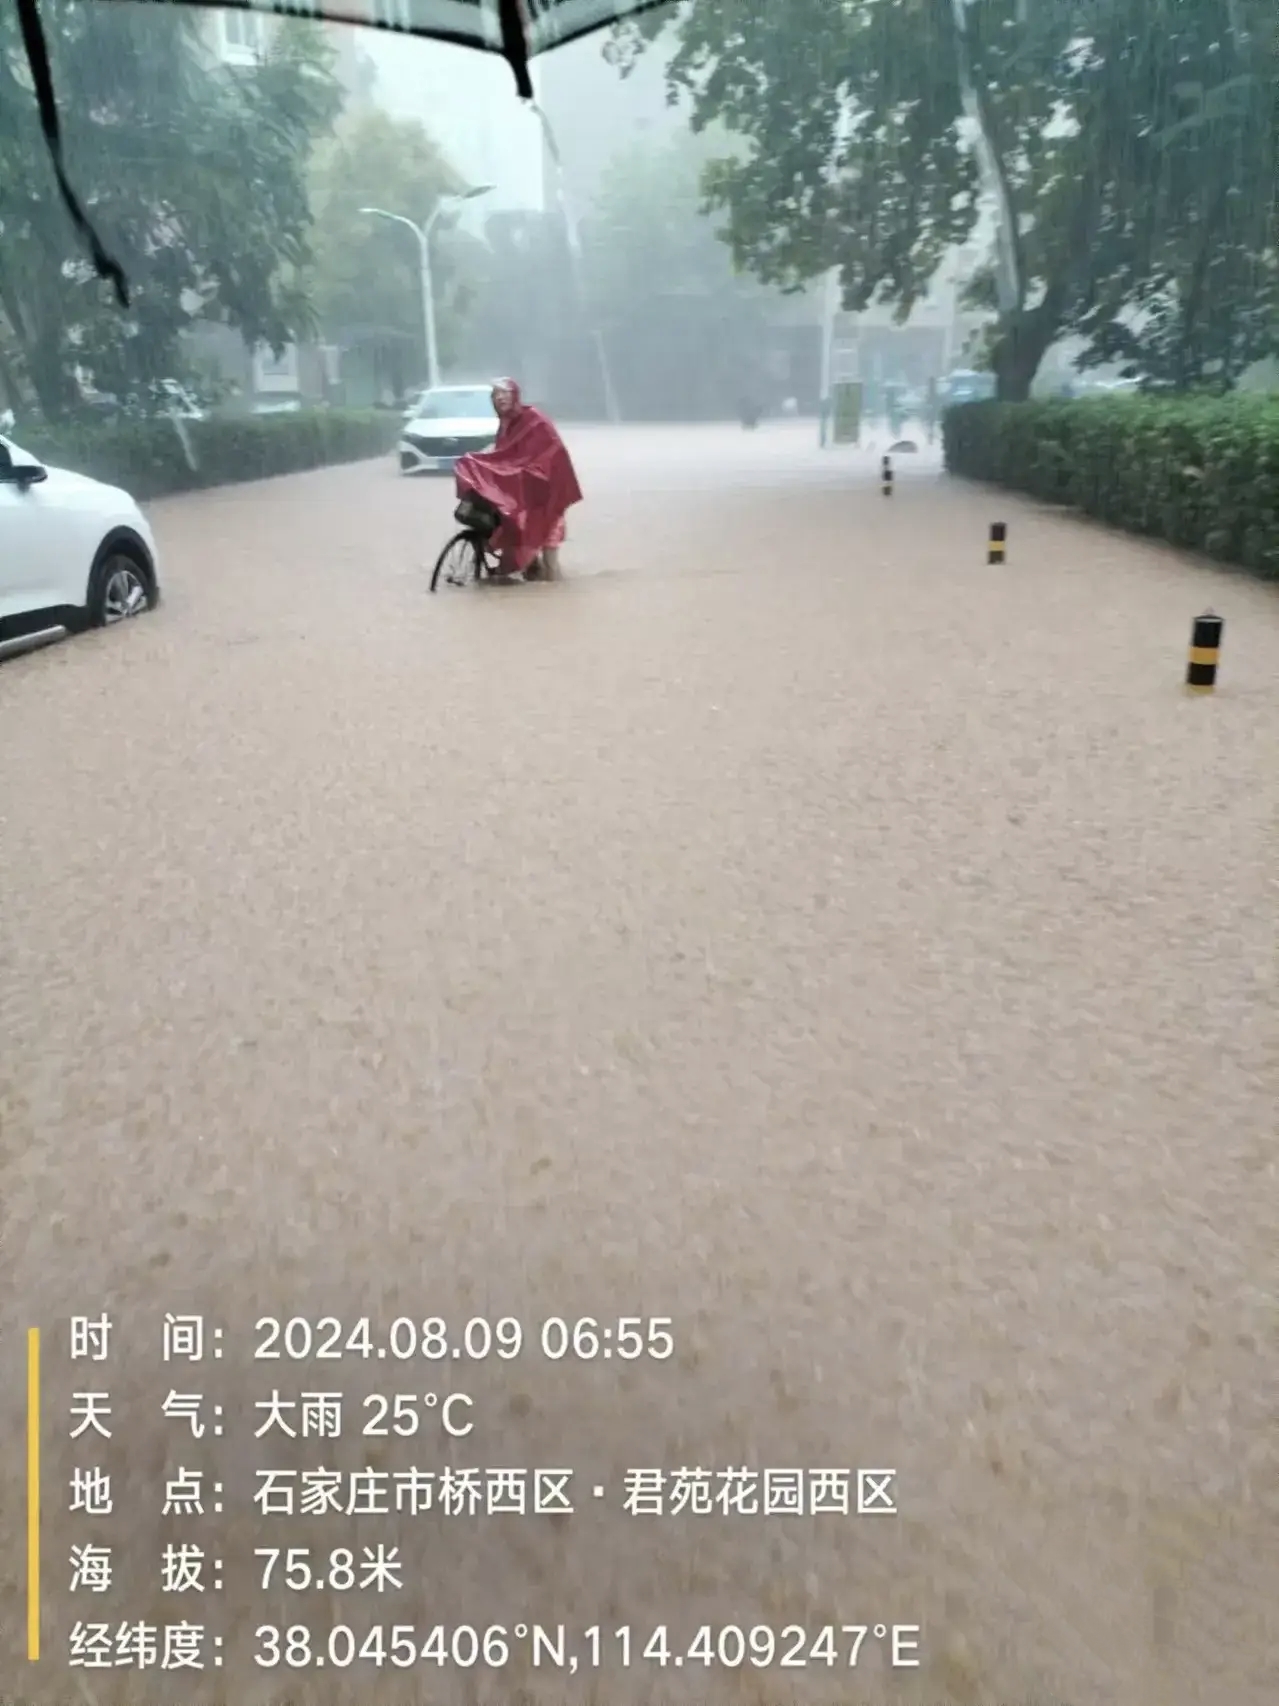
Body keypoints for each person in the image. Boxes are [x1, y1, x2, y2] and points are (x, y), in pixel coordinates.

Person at [453, 379, 582, 583]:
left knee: (550, 568)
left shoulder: (535, 419)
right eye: (495, 394)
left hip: (545, 498)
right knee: (523, 553)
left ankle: (553, 591)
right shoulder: (505, 426)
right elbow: (504, 458)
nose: (500, 398)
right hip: (521, 497)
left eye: (504, 393)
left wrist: (525, 473)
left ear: (515, 395)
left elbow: (552, 454)